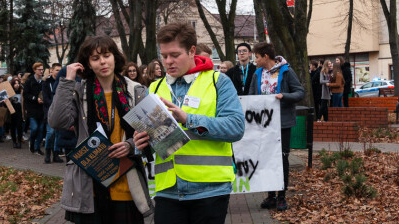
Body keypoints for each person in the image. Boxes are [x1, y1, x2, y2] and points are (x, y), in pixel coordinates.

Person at [134, 22, 245, 224]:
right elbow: (154, 146)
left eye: (175, 55)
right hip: (168, 190)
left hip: (210, 189)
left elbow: (236, 128)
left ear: (192, 51)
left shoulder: (218, 81)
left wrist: (188, 119)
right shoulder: (154, 88)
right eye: (164, 55)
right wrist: (141, 142)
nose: (168, 61)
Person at [49, 35, 153, 223]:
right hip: (90, 187)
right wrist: (67, 81)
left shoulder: (136, 91)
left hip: (126, 186)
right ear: (87, 64)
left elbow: (151, 135)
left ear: (115, 57)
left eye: (106, 55)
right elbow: (58, 121)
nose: (102, 62)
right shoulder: (79, 91)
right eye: (95, 58)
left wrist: (130, 146)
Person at [248, 42, 305, 211]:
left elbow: (300, 92)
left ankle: (281, 196)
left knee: (281, 159)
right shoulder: (257, 74)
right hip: (263, 124)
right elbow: (251, 96)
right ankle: (270, 196)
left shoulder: (286, 71)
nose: (255, 60)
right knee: (265, 158)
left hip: (282, 123)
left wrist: (284, 96)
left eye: (256, 57)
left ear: (265, 56)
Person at [43, 63, 64, 163]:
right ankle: (47, 154)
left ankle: (56, 154)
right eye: (57, 70)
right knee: (50, 133)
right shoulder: (46, 82)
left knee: (58, 134)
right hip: (50, 111)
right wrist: (55, 105)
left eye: (60, 70)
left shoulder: (62, 82)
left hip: (60, 111)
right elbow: (46, 98)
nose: (58, 72)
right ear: (52, 70)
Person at [23, 62, 46, 155]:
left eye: (42, 69)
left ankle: (37, 148)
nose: (41, 71)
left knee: (41, 130)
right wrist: (35, 99)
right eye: (39, 69)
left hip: (42, 109)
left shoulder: (44, 81)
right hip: (32, 109)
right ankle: (32, 143)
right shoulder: (29, 81)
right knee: (35, 128)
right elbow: (25, 94)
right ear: (34, 70)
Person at [9, 78, 24, 148]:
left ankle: (19, 141)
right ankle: (14, 141)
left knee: (19, 126)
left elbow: (23, 102)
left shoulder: (21, 91)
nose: (17, 85)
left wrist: (23, 112)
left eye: (18, 83)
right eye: (15, 83)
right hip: (12, 111)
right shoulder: (10, 92)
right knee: (12, 127)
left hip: (19, 111)